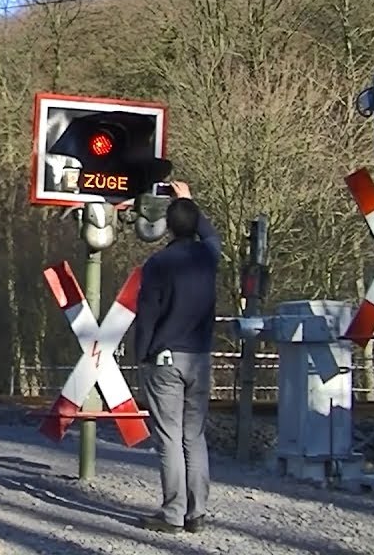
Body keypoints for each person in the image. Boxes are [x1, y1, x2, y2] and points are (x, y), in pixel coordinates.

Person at [132, 180, 221, 534]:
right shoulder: (209, 257)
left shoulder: (159, 263)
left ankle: (172, 513)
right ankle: (197, 513)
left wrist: (143, 355)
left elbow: (148, 312)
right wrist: (187, 200)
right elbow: (210, 234)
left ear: (167, 226)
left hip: (166, 359)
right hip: (199, 357)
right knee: (193, 437)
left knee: (168, 437)